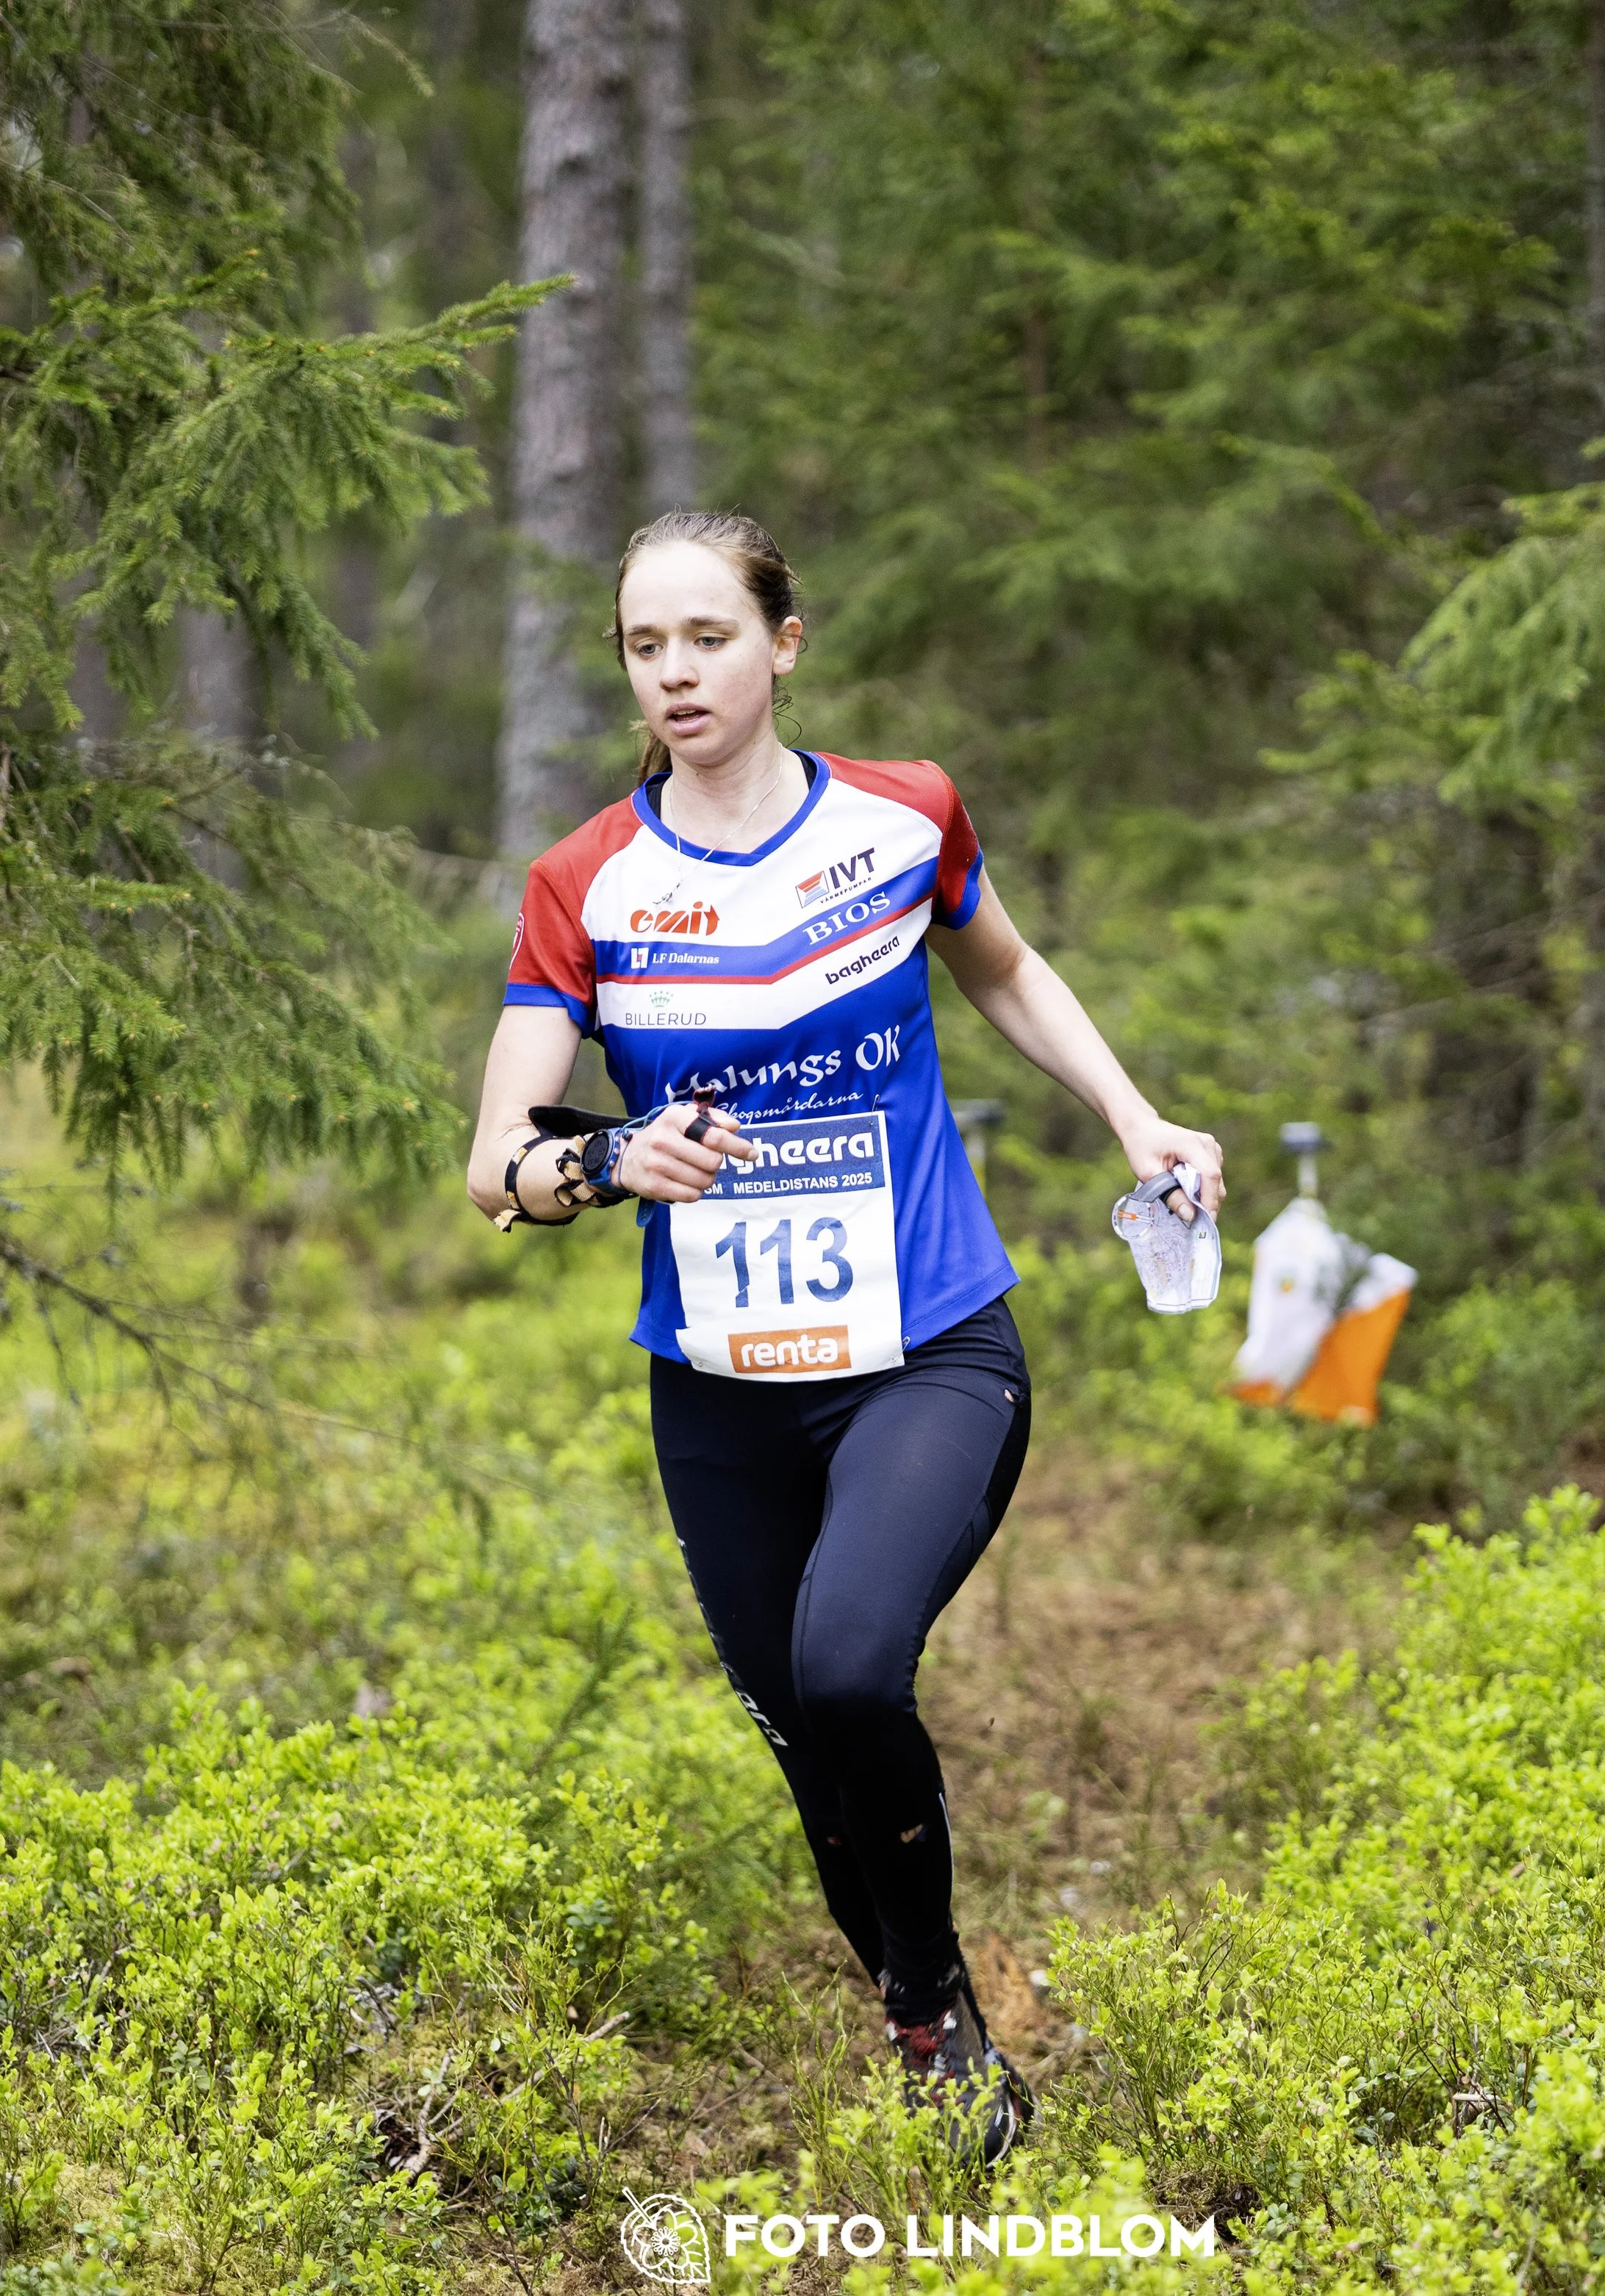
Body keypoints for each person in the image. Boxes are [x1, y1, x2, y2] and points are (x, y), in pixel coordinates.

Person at [467, 510, 1223, 2163]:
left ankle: (938, 2014)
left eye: (707, 638)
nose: (674, 672)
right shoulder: (585, 881)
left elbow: (1007, 971)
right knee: (816, 1735)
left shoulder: (902, 815)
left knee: (846, 1661)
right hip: (721, 1392)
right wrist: (602, 1158)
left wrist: (1130, 1111)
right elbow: (496, 1159)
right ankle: (920, 1998)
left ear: (782, 643)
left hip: (928, 1345)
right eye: (643, 646)